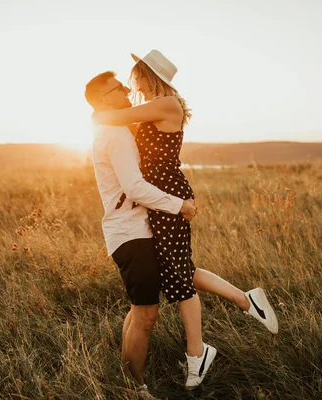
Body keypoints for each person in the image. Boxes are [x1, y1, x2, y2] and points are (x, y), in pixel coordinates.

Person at [92, 50, 279, 389]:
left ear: (150, 76)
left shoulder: (166, 104)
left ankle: (198, 354)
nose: (133, 86)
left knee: (178, 277)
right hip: (160, 200)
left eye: (135, 79)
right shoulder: (154, 107)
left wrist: (101, 109)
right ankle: (244, 299)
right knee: (180, 268)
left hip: (169, 198)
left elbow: (111, 119)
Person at [85, 70, 197, 399]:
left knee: (138, 309)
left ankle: (126, 375)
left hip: (130, 231)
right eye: (118, 87)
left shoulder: (111, 127)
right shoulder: (115, 134)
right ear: (106, 98)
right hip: (131, 233)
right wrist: (179, 206)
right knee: (146, 314)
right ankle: (134, 388)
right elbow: (134, 187)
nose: (125, 88)